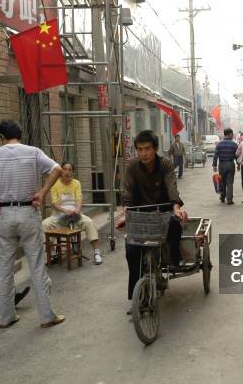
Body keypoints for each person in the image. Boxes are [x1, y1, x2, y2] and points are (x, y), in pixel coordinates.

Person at [0, 120, 65, 329]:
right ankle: (47, 316)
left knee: (4, 267)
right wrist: (43, 193)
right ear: (19, 134)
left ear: (1, 136)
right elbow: (57, 169)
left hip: (6, 213)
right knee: (36, 265)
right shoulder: (33, 152)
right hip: (28, 211)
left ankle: (5, 317)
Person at [115, 130, 188, 314]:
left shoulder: (165, 164)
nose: (144, 153)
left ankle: (174, 258)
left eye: (147, 149)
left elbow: (172, 188)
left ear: (155, 149)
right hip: (141, 214)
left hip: (163, 211)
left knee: (174, 224)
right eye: (140, 149)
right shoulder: (132, 167)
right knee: (131, 250)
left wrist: (176, 208)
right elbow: (128, 193)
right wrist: (127, 213)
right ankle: (135, 296)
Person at [41, 161, 103, 265]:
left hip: (74, 215)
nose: (67, 172)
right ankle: (50, 253)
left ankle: (97, 253)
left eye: (70, 170)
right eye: (65, 169)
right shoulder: (55, 183)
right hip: (58, 215)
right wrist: (65, 211)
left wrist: (77, 209)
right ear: (61, 171)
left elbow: (79, 199)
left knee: (89, 222)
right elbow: (54, 203)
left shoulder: (76, 183)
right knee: (45, 224)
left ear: (72, 172)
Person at [212, 128, 238, 204]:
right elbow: (237, 155)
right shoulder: (234, 144)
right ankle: (229, 200)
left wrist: (214, 165)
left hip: (222, 165)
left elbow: (215, 155)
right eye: (232, 134)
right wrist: (238, 164)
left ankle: (222, 197)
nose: (232, 135)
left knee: (222, 182)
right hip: (230, 164)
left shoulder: (219, 144)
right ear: (229, 134)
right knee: (230, 183)